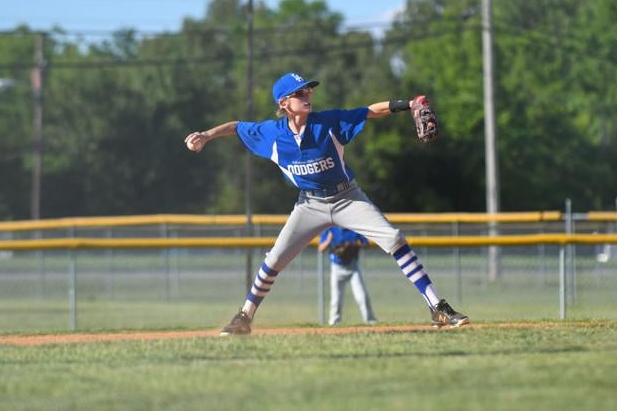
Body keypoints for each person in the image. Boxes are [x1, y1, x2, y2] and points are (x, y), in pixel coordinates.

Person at [184, 72, 469, 335]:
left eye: (308, 91)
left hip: (347, 197)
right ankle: (244, 317)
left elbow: (370, 111)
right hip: (309, 205)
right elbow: (237, 127)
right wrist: (207, 135)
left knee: (394, 238)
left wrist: (408, 104)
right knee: (273, 260)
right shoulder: (272, 133)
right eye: (300, 93)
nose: (307, 96)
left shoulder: (328, 122)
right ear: (284, 103)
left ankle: (438, 308)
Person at [319, 226, 377, 326]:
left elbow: (366, 244)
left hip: (353, 267)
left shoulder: (354, 227)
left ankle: (371, 322)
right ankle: (334, 323)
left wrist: (355, 245)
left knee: (362, 297)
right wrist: (328, 241)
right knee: (336, 299)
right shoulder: (330, 229)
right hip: (337, 267)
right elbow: (321, 249)